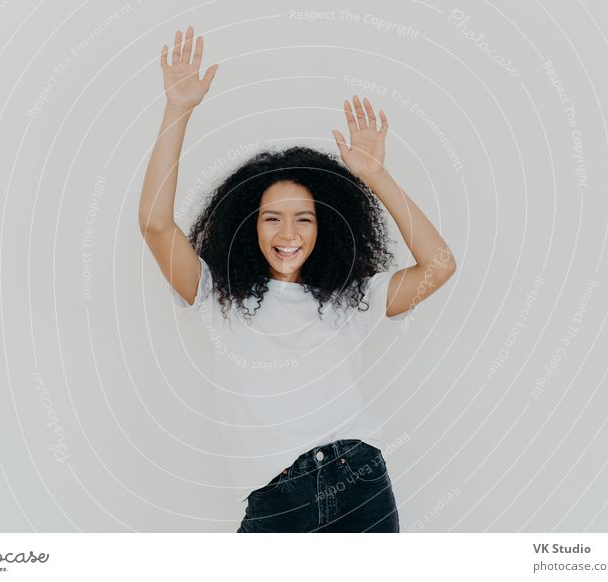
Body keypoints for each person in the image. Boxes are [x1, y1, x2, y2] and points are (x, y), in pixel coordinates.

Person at [138, 25, 457, 532]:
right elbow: (155, 225)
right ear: (249, 225)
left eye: (303, 219)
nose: (289, 233)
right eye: (272, 218)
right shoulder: (217, 295)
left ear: (324, 228)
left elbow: (439, 265)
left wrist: (376, 175)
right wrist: (178, 109)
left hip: (359, 483)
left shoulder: (352, 298)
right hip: (275, 498)